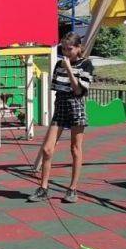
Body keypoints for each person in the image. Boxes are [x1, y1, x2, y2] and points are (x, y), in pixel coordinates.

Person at [29, 32, 94, 204]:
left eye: (70, 49)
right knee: (47, 149)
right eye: (64, 49)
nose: (66, 52)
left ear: (78, 48)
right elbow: (58, 87)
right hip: (61, 106)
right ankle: (43, 188)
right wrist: (65, 67)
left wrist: (70, 70)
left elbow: (78, 90)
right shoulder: (59, 64)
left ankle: (72, 189)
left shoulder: (86, 64)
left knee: (75, 148)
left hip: (76, 105)